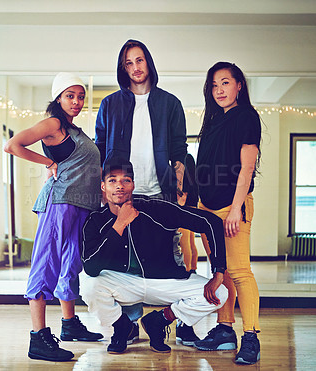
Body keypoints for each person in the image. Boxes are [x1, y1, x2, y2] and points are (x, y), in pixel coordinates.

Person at [80, 157, 228, 355]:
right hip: (124, 283)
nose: (119, 186)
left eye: (126, 180)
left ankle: (158, 321)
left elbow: (211, 223)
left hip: (163, 280)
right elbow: (91, 266)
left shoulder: (155, 209)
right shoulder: (96, 220)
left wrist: (218, 272)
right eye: (112, 180)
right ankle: (121, 326)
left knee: (220, 293)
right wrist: (120, 224)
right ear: (103, 186)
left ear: (133, 185)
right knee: (89, 285)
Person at [95, 39, 190, 342]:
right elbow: (99, 147)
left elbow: (179, 150)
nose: (135, 68)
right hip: (122, 191)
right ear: (123, 69)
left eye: (139, 61)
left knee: (163, 254)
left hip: (160, 189)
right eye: (128, 63)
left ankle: (161, 324)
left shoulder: (170, 103)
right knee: (123, 256)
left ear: (148, 63)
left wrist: (180, 185)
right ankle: (126, 326)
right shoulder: (111, 103)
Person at [4, 72, 103, 362]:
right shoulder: (53, 123)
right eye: (70, 95)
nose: (76, 101)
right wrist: (48, 161)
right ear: (58, 97)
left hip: (82, 205)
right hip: (60, 203)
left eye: (80, 96)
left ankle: (69, 324)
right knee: (46, 263)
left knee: (71, 264)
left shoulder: (74, 129)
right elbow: (12, 145)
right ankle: (39, 338)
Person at [194, 62, 262, 365]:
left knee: (239, 272)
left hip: (231, 207)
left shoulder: (246, 117)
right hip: (207, 208)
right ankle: (224, 329)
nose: (219, 90)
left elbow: (247, 166)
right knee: (220, 270)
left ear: (239, 86)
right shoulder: (211, 121)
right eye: (214, 85)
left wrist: (236, 209)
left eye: (225, 83)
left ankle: (251, 336)